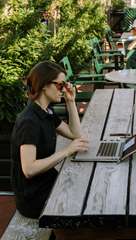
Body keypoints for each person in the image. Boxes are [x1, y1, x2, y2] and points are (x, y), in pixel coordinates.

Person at [11, 60, 89, 219]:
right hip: (34, 198)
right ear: (45, 85)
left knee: (87, 187)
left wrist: (71, 102)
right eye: (60, 85)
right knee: (85, 201)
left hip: (47, 183)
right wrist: (66, 151)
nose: (64, 89)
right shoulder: (29, 121)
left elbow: (75, 134)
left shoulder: (46, 111)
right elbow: (29, 169)